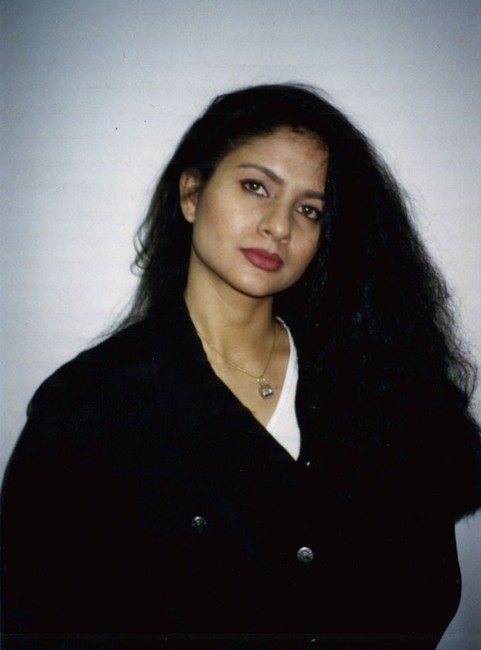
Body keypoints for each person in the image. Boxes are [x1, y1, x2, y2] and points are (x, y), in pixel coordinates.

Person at [2, 83, 481, 650]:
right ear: (191, 193)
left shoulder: (375, 383)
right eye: (256, 186)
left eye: (310, 210)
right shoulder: (88, 407)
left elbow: (426, 590)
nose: (279, 226)